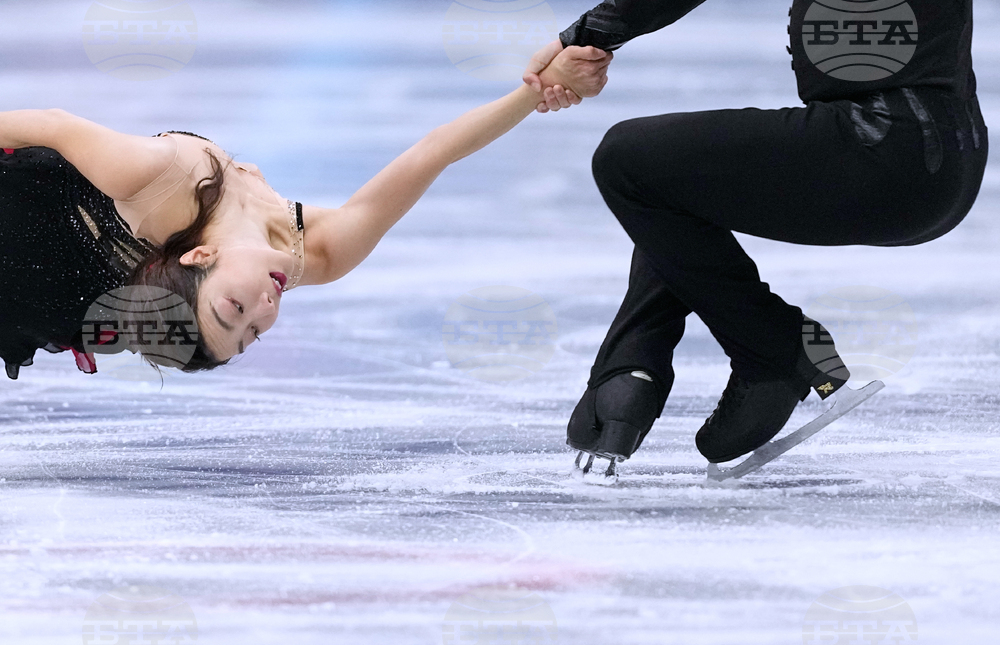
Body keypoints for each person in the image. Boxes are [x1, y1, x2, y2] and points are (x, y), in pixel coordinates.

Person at [522, 0, 988, 466]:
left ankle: (774, 350)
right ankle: (630, 374)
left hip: (882, 149)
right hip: (943, 159)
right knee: (681, 173)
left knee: (627, 161)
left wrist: (580, 39)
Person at [0, 46, 613, 381]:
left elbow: (48, 127)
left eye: (233, 310)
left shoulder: (158, 181)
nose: (264, 310)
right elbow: (434, 154)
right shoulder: (318, 255)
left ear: (201, 257)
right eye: (254, 333)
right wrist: (534, 89)